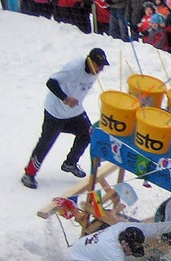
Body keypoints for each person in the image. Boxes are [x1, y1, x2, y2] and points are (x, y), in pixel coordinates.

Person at [22, 48, 109, 189]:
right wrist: (65, 98)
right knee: (46, 142)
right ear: (90, 61)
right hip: (55, 112)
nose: (101, 69)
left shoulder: (95, 71)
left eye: (103, 66)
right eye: (99, 65)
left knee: (88, 133)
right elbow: (50, 82)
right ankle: (29, 174)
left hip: (75, 111)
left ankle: (70, 163)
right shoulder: (73, 69)